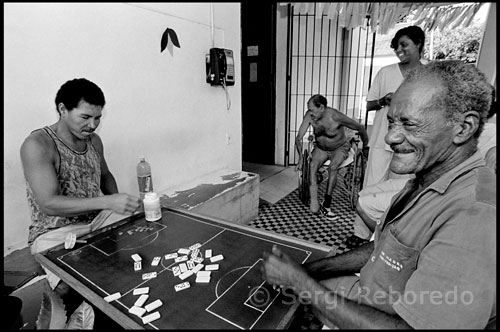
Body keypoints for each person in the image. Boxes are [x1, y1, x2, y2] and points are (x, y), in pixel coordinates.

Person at [261, 60, 496, 329]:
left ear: (463, 128)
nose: (390, 137)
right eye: (392, 122)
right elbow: (382, 247)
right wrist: (310, 271)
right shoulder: (425, 179)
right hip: (369, 291)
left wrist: (301, 284)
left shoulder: (475, 215)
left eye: (409, 124)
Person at [20, 78, 141, 296]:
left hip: (97, 220)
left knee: (142, 250)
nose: (93, 125)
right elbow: (49, 203)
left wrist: (121, 204)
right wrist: (107, 202)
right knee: (75, 288)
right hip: (54, 231)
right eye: (85, 117)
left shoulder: (94, 140)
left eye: (97, 118)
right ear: (63, 109)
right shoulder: (38, 144)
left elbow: (105, 175)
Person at [345, 25, 425, 247]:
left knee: (400, 191)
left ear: (418, 44)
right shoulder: (386, 72)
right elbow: (369, 104)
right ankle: (361, 233)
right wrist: (383, 100)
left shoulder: (427, 76)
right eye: (396, 46)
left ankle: (391, 234)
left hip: (410, 143)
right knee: (371, 185)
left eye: (404, 45)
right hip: (382, 138)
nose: (399, 50)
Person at [295, 94, 369, 220]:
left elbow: (360, 128)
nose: (310, 113)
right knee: (312, 165)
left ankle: (327, 205)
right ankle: (314, 201)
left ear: (321, 107)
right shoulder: (310, 116)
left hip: (339, 148)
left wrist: (366, 147)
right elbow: (298, 138)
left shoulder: (336, 116)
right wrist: (301, 159)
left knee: (333, 168)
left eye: (312, 110)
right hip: (321, 148)